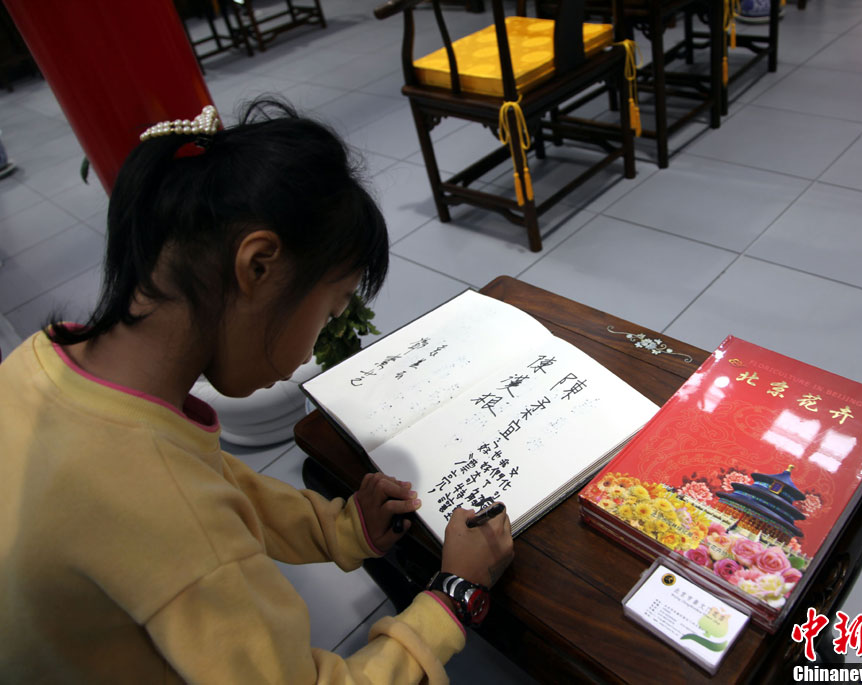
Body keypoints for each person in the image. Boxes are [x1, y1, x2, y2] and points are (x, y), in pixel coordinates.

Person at [0, 99, 514, 683]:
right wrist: (453, 595)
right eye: (330, 311)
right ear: (258, 265)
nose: (313, 345)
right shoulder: (171, 512)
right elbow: (190, 508)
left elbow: (214, 483)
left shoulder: (46, 359)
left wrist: (344, 528)